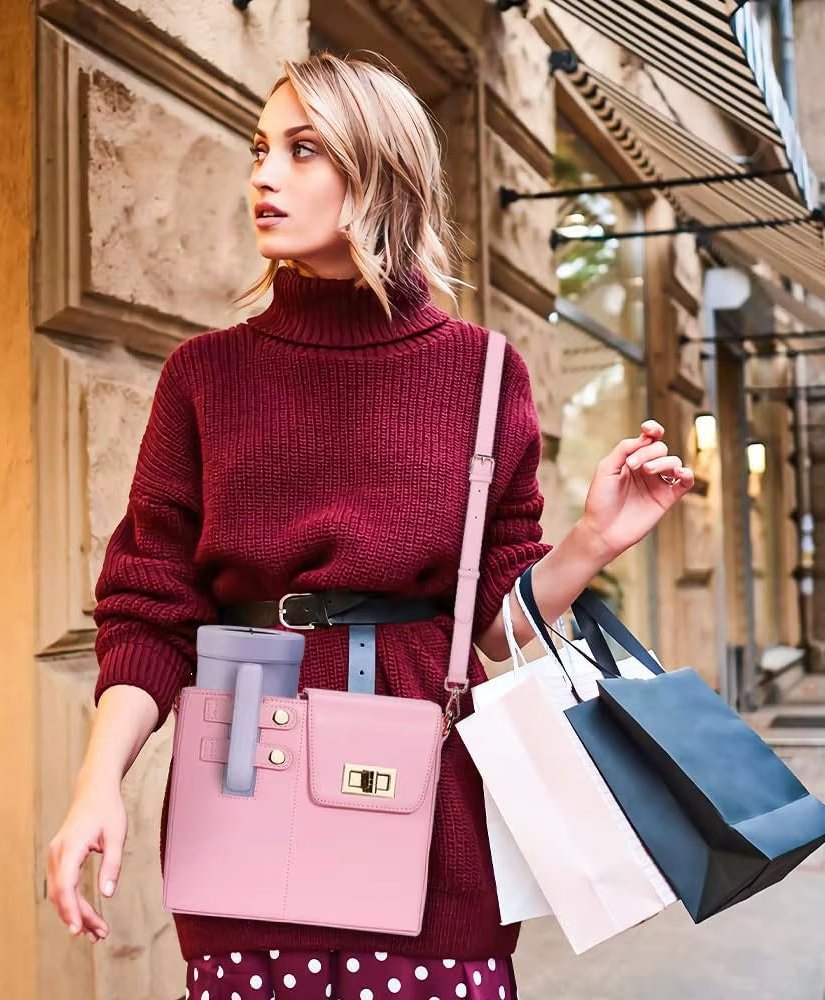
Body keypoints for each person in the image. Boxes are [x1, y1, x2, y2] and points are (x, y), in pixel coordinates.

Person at [46, 52, 693, 1000]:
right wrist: (97, 782)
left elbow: (490, 629)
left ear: (379, 174)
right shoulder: (204, 376)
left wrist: (593, 540)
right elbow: (149, 608)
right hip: (246, 778)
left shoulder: (483, 373)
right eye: (260, 148)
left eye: (303, 151)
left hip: (427, 807)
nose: (263, 174)